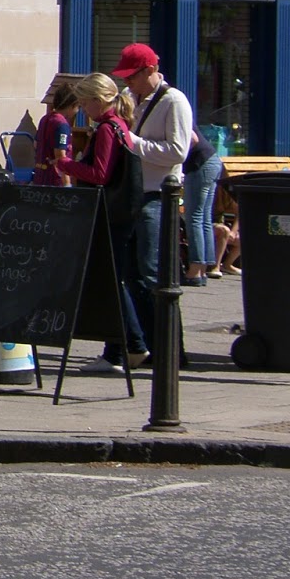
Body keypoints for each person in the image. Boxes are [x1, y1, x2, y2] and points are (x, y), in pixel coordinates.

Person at [54, 73, 149, 372]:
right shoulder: (119, 124)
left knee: (113, 281)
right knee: (113, 280)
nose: (82, 108)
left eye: (85, 102)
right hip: (121, 214)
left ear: (98, 100)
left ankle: (132, 345)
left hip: (112, 215)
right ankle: (116, 352)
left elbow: (100, 174)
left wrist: (66, 164)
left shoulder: (108, 128)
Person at [112, 43, 194, 349]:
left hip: (159, 196)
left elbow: (178, 151)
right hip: (134, 193)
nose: (127, 82)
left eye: (132, 76)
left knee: (153, 273)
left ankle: (171, 348)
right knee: (132, 274)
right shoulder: (131, 97)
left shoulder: (174, 101)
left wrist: (134, 143)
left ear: (150, 70)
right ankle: (147, 343)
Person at [182, 128, 223, 285]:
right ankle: (203, 270)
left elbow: (192, 139)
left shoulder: (174, 113)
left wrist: (178, 158)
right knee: (204, 218)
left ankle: (194, 271)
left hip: (199, 164)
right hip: (212, 161)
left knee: (194, 218)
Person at [33, 81, 77, 187]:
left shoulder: (44, 119)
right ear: (71, 105)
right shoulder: (62, 125)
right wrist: (67, 183)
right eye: (78, 107)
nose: (78, 111)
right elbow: (60, 156)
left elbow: (35, 144)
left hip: (40, 176)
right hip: (55, 180)